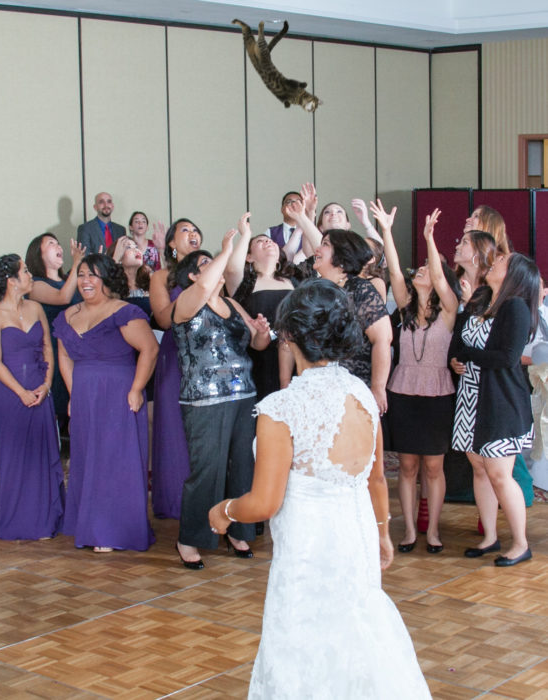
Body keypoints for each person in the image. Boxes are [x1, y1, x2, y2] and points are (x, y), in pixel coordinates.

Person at [209, 279, 430, 698]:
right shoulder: (362, 394)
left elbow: (264, 503)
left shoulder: (281, 407)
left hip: (308, 548)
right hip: (357, 535)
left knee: (302, 639)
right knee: (355, 634)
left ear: (288, 336)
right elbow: (376, 477)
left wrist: (225, 511)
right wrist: (382, 532)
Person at [172, 231, 271, 569]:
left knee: (244, 466)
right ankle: (191, 537)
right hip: (204, 400)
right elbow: (203, 289)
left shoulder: (231, 304)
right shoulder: (186, 301)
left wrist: (260, 331)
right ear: (193, 274)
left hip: (244, 394)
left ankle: (237, 529)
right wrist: (227, 248)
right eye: (206, 264)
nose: (215, 268)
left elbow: (258, 346)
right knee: (207, 470)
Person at [371, 201, 460, 554]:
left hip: (438, 393)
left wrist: (429, 237)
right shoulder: (406, 307)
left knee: (434, 467)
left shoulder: (449, 310)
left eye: (425, 267)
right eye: (420, 267)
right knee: (406, 466)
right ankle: (408, 531)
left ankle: (433, 530)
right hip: (404, 392)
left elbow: (439, 277)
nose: (421, 270)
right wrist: (387, 231)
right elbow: (393, 271)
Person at [54, 254, 158, 552]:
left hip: (119, 392)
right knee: (88, 457)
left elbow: (149, 349)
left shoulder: (124, 312)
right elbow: (63, 356)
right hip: (85, 393)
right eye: (82, 274)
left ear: (107, 279)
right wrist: (74, 395)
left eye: (93, 275)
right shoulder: (66, 316)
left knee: (115, 460)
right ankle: (89, 523)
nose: (86, 281)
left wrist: (137, 389)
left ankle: (112, 529)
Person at [450, 252, 539, 566]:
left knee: (500, 474)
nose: (496, 260)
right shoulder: (480, 299)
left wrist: (469, 356)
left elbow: (506, 358)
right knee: (480, 468)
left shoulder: (514, 306)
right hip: (471, 396)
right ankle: (489, 536)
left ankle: (521, 544)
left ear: (514, 273)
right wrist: (459, 357)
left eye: (504, 259)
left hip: (501, 401)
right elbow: (457, 343)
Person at [0, 254, 65, 540]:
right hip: (10, 393)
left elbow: (47, 348)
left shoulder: (36, 307)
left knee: (41, 452)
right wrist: (21, 392)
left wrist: (45, 384)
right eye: (26, 271)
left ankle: (46, 516)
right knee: (17, 454)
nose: (31, 275)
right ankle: (17, 517)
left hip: (40, 389)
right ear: (12, 280)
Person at [289, 200, 392, 413]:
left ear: (342, 255)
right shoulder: (315, 289)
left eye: (325, 245)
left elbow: (382, 338)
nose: (317, 248)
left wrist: (378, 387)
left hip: (354, 385)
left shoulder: (360, 289)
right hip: (317, 386)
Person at [149, 218, 203, 519]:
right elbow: (163, 319)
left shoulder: (209, 271)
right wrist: (194, 290)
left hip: (207, 356)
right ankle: (175, 499)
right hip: (176, 354)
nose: (192, 234)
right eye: (185, 230)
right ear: (171, 243)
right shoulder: (162, 277)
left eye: (195, 231)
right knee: (174, 426)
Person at [225, 212, 296, 400]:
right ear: (249, 257)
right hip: (261, 355)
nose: (268, 242)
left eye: (270, 241)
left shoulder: (293, 280)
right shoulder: (245, 282)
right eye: (260, 242)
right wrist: (246, 234)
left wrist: (304, 219)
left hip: (296, 353)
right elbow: (232, 269)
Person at [25, 233, 85, 427]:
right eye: (51, 244)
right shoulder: (35, 284)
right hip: (53, 348)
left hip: (77, 346)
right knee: (59, 402)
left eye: (59, 243)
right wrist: (77, 263)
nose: (59, 247)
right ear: (38, 254)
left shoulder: (69, 280)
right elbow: (63, 298)